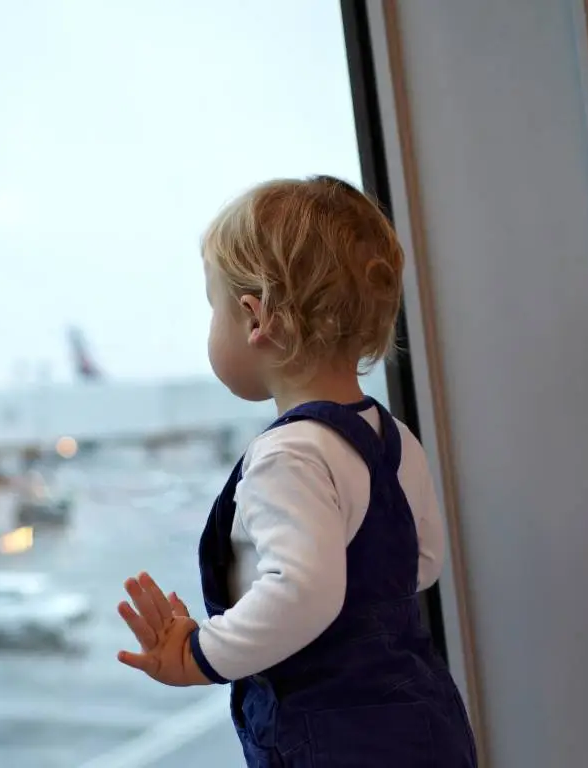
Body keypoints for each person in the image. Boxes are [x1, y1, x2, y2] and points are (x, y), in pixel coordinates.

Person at [116, 176, 478, 767]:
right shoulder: (390, 436)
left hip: (336, 740)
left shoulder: (290, 456)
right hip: (423, 717)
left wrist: (202, 652)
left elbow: (303, 591)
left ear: (254, 317)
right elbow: (422, 561)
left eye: (214, 307)